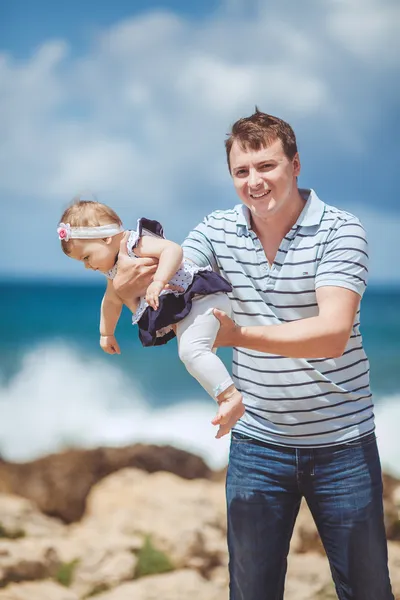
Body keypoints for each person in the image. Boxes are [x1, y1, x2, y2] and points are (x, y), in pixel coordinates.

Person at [112, 109, 394, 599]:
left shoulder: (341, 231)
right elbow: (177, 272)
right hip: (257, 445)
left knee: (367, 592)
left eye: (266, 166)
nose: (254, 181)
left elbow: (331, 333)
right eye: (242, 171)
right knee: (251, 592)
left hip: (343, 444)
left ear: (296, 164)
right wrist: (126, 277)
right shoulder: (218, 230)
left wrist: (238, 336)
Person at [56, 199, 245, 438]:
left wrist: (158, 281)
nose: (86, 266)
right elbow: (111, 301)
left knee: (191, 353)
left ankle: (230, 398)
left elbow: (172, 249)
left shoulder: (134, 244)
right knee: (199, 361)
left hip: (200, 296)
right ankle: (227, 406)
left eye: (86, 257)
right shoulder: (113, 270)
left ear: (105, 239)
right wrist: (106, 333)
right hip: (192, 308)